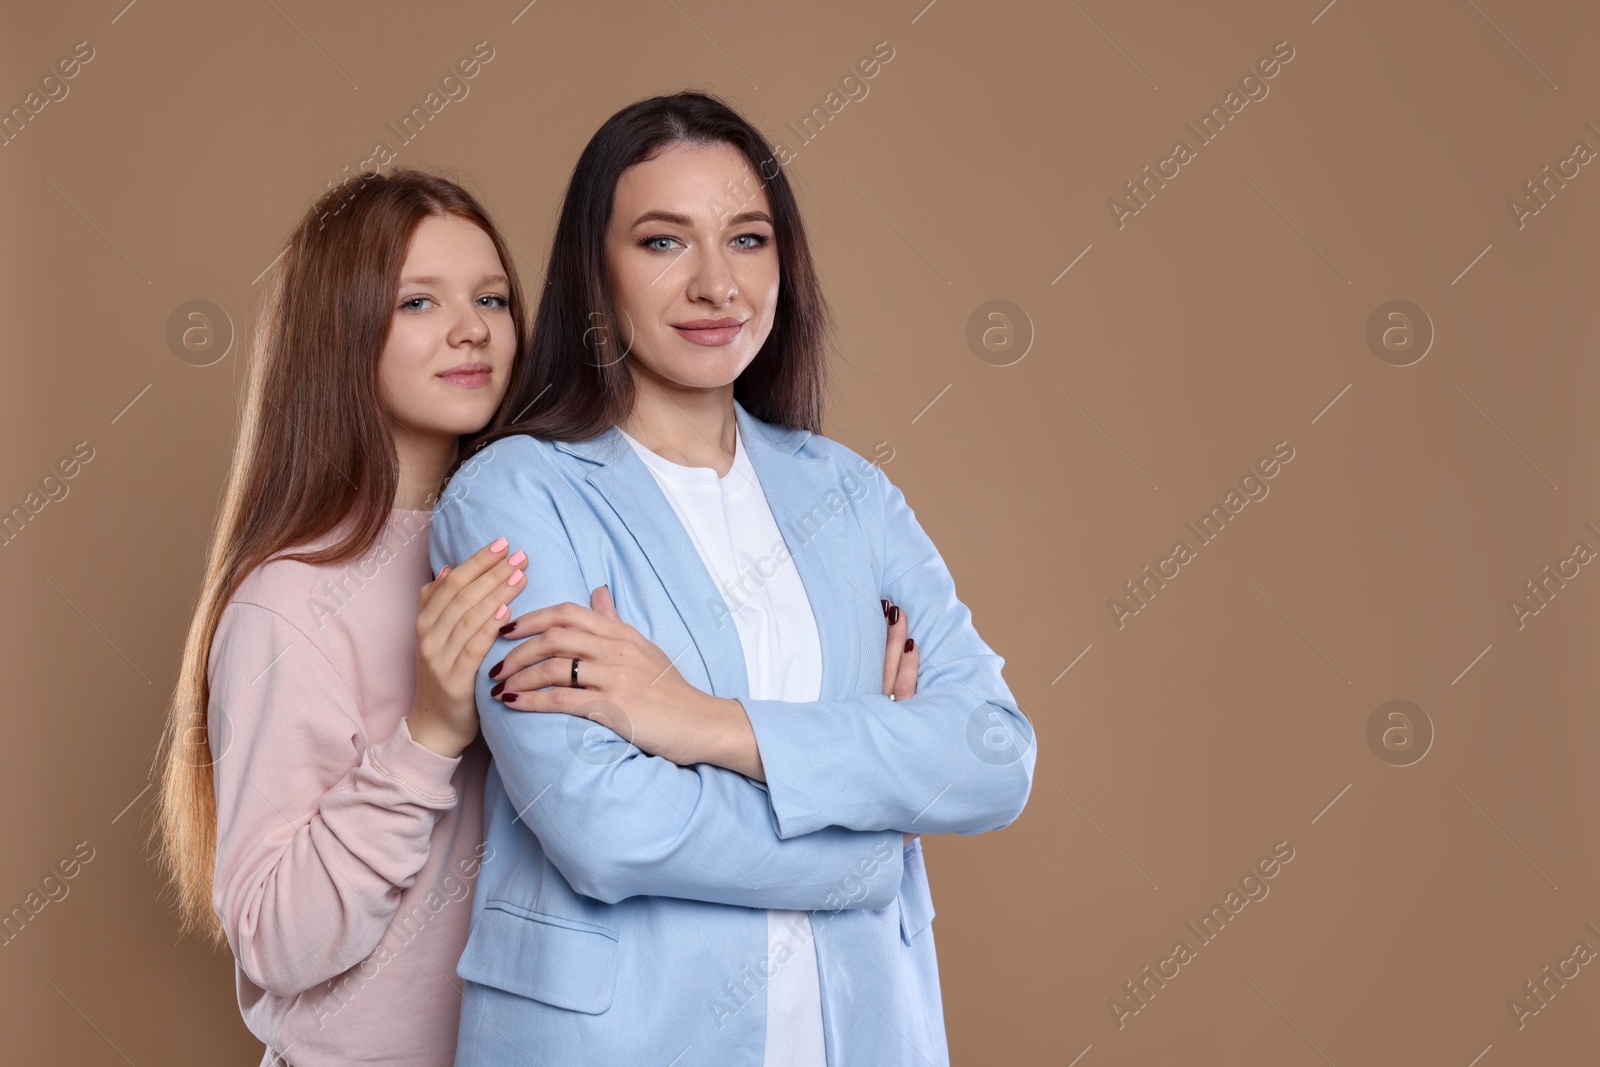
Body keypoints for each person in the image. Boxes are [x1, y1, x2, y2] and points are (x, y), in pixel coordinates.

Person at [430, 90, 1036, 1067]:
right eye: (665, 242)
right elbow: (600, 822)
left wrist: (700, 720)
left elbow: (992, 750)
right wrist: (873, 831)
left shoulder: (851, 491)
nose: (718, 283)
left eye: (747, 239)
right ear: (598, 270)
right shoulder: (514, 494)